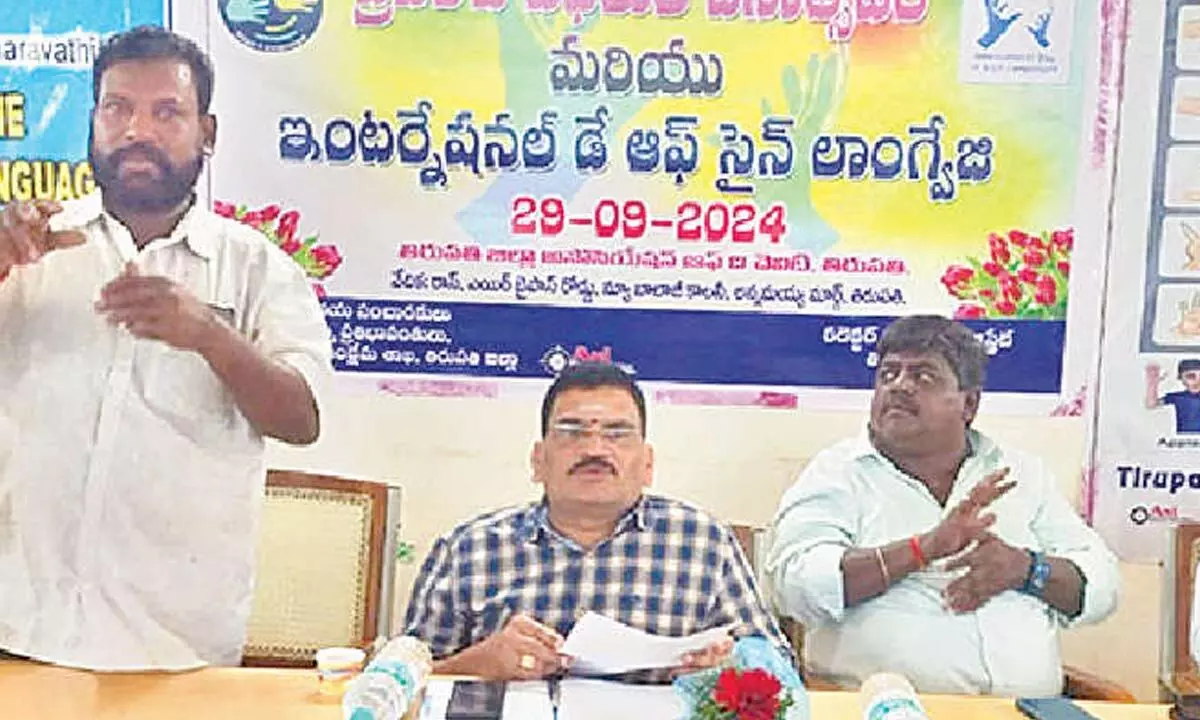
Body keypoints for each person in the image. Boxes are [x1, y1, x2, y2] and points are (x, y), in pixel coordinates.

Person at [0, 26, 330, 670]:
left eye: (166, 112)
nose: (136, 130)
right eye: (117, 108)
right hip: (17, 623)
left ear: (207, 133)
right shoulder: (32, 247)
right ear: (93, 121)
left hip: (173, 647)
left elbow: (302, 420)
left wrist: (209, 336)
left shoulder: (256, 268)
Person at [766, 315, 1118, 696]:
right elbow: (793, 585)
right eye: (888, 374)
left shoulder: (1021, 474)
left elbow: (1101, 585)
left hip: (1027, 709)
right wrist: (922, 549)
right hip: (882, 710)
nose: (899, 386)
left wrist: (1026, 568)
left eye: (923, 377)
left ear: (969, 403)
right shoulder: (839, 473)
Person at [402, 361, 793, 682]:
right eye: (571, 432)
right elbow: (398, 677)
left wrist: (728, 669)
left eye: (617, 434)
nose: (593, 449)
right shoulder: (470, 547)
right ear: (539, 460)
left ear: (647, 464)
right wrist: (477, 664)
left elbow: (780, 670)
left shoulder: (704, 542)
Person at [1145, 360, 1200, 434]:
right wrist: (1153, 383)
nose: (1197, 381)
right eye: (1190, 376)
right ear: (1181, 378)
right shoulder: (1178, 397)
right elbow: (1151, 404)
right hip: (1185, 439)